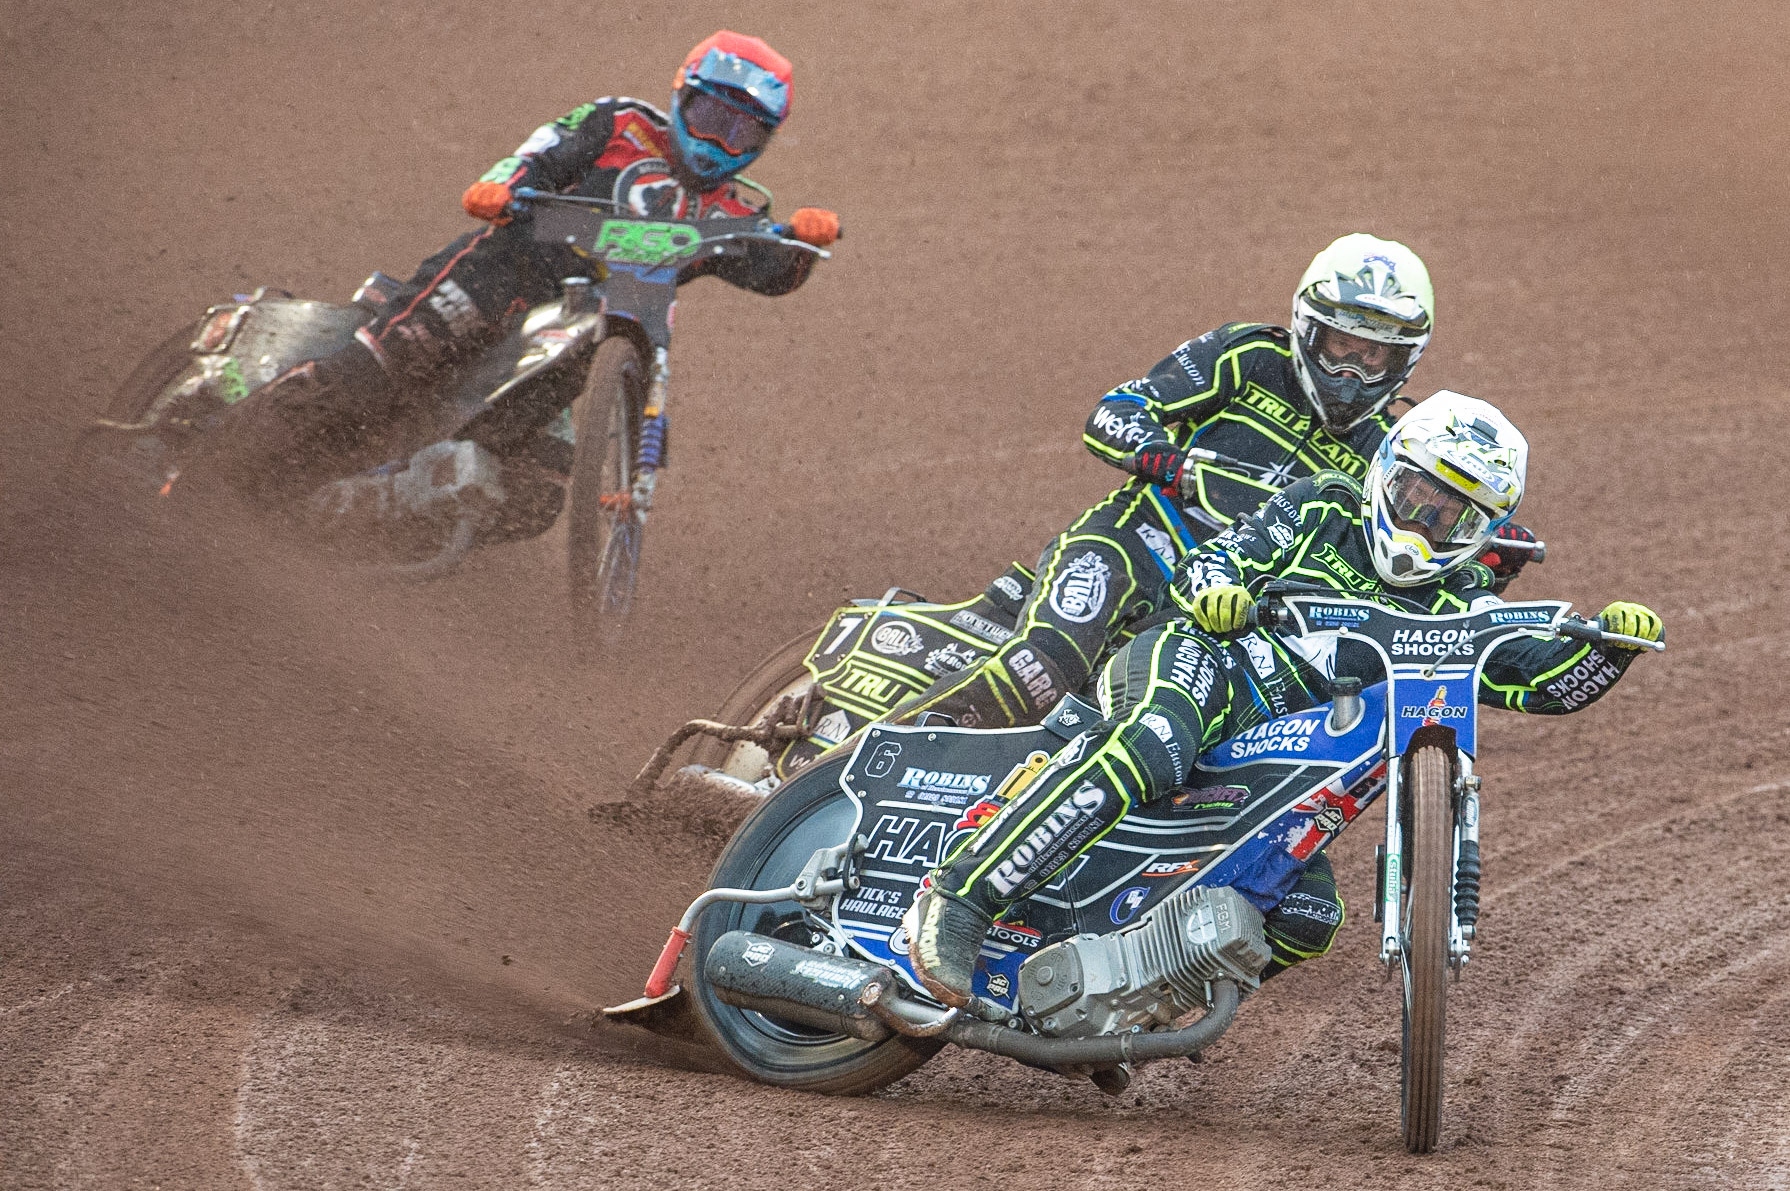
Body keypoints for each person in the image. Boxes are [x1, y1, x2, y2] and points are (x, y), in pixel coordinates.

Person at [904, 391, 1663, 1006]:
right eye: (1413, 493)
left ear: (1481, 530)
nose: (1420, 521)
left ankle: (1129, 997)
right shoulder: (1324, 506)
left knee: (1309, 916)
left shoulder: (1456, 601)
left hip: (1278, 757)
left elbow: (1535, 680)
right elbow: (1219, 558)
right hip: (1205, 663)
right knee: (1154, 743)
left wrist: (1611, 650)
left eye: (1449, 515)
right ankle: (961, 900)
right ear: (1387, 473)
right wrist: (1222, 593)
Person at [887, 234, 1536, 733]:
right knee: (1043, 669)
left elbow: (1423, 542)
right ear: (1309, 330)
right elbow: (1113, 411)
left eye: (1375, 356)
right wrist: (1160, 457)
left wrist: (1489, 557)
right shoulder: (1249, 357)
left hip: (1220, 611)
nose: (1351, 371)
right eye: (1340, 345)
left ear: (1405, 361)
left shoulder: (1391, 453)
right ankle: (881, 754)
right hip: (1132, 547)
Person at [205, 30, 840, 536]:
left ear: (764, 142)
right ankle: (208, 474)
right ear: (680, 97)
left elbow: (769, 269)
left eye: (741, 131)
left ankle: (377, 518)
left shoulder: (731, 210)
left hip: (580, 335)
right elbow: (541, 152)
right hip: (502, 271)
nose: (716, 141)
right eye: (707, 117)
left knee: (535, 494)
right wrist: (501, 184)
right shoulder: (618, 124)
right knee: (384, 366)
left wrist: (802, 244)